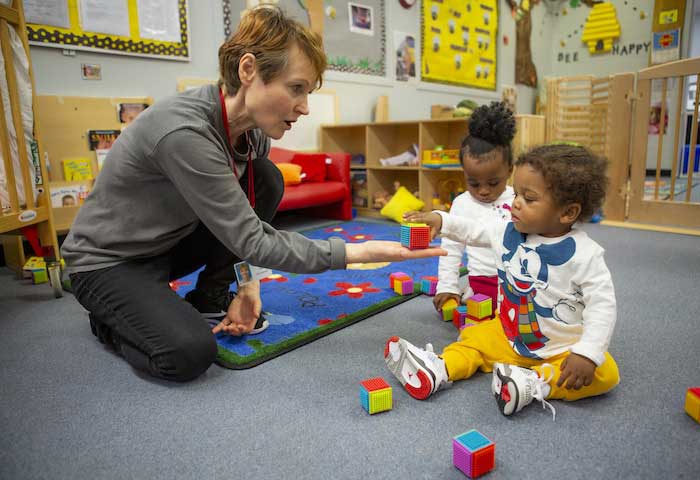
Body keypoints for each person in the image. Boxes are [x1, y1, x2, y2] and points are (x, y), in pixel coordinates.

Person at [61, 7, 445, 383]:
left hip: (167, 246)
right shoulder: (184, 133)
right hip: (108, 262)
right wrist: (360, 252)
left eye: (308, 92)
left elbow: (246, 220)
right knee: (188, 354)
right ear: (248, 70)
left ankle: (208, 296)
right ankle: (108, 320)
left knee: (267, 178)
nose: (305, 107)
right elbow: (252, 238)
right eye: (296, 88)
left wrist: (247, 284)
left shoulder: (254, 131)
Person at [386, 144, 620, 419]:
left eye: (529, 198)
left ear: (567, 213)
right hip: (508, 333)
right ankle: (439, 368)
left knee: (605, 373)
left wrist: (587, 353)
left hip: (559, 349)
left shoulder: (586, 255)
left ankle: (532, 384)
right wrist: (442, 219)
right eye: (517, 192)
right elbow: (474, 230)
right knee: (474, 337)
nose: (516, 202)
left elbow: (602, 306)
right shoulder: (508, 229)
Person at [434, 102, 515, 317]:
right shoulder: (461, 204)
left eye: (493, 182)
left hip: (519, 285)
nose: (484, 192)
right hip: (481, 285)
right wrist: (447, 286)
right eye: (474, 183)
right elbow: (450, 249)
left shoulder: (520, 199)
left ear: (510, 170)